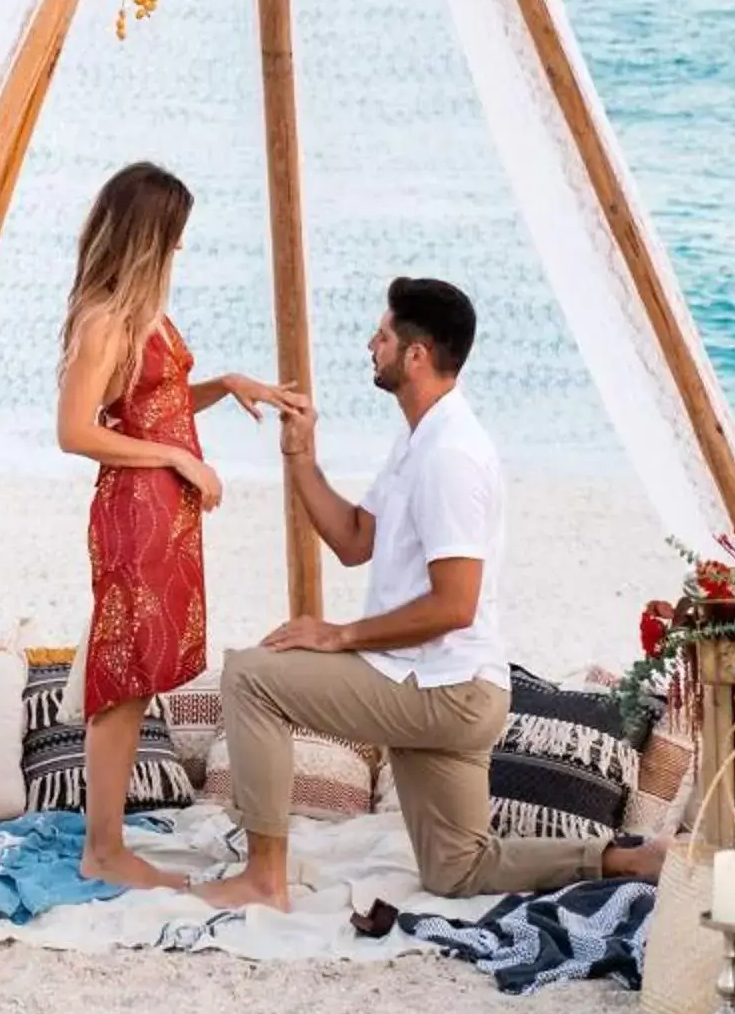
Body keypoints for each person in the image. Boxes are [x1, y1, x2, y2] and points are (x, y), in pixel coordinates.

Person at [196, 277, 664, 910]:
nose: (371, 343)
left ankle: (263, 877)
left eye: (382, 335)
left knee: (253, 678)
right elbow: (354, 539)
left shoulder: (452, 456)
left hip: (443, 689)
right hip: (442, 684)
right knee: (457, 871)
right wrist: (302, 455)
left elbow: (453, 605)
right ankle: (624, 859)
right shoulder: (420, 438)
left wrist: (339, 635)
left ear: (414, 355)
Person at [53, 161, 311, 889]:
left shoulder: (140, 315)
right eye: (175, 235)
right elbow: (75, 431)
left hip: (164, 513)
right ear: (147, 235)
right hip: (135, 511)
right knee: (123, 673)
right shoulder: (105, 319)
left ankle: (109, 843)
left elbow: (151, 402)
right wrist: (177, 459)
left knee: (140, 673)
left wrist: (223, 387)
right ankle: (103, 849)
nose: (182, 248)